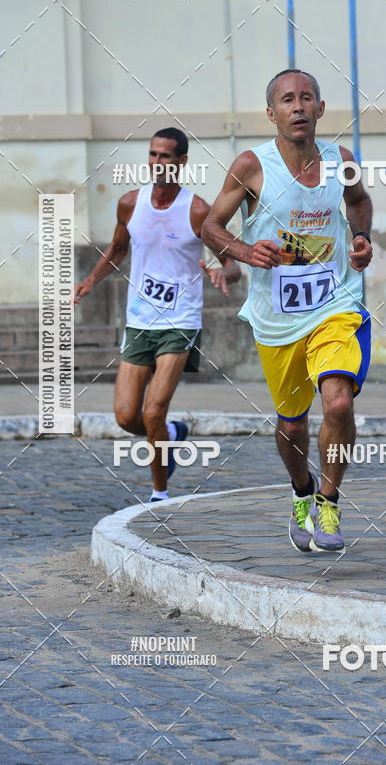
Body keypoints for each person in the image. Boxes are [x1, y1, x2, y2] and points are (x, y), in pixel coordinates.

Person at [201, 70, 373, 553]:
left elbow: (359, 201)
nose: (297, 107)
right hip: (277, 318)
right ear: (271, 113)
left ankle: (330, 501)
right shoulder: (252, 166)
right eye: (286, 100)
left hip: (337, 303)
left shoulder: (343, 161)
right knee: (293, 422)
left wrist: (361, 238)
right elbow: (212, 225)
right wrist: (242, 250)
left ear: (320, 109)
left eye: (306, 99)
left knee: (338, 402)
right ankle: (300, 492)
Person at [74, 127, 240, 501]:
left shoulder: (198, 210)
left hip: (179, 322)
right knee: (126, 416)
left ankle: (159, 493)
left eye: (166, 156)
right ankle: (174, 434)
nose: (157, 163)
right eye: (153, 154)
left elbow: (234, 264)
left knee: (152, 413)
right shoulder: (131, 203)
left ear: (181, 162)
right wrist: (89, 282)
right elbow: (117, 250)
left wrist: (220, 271)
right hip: (139, 322)